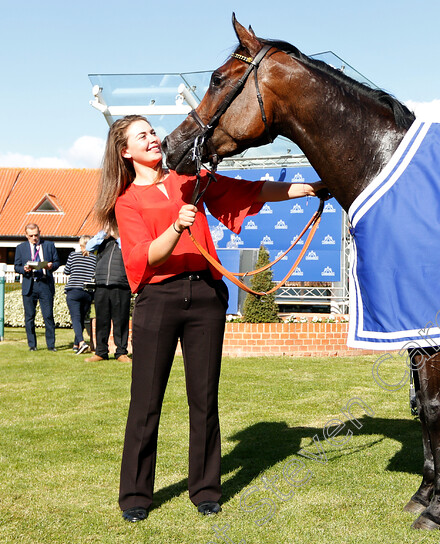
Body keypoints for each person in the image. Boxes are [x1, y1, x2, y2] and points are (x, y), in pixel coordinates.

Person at [94, 115, 324, 523]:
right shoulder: (126, 201)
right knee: (146, 403)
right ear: (125, 152)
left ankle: (205, 490)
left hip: (205, 296)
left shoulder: (189, 178)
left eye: (152, 131)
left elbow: (248, 191)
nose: (152, 138)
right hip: (157, 298)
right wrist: (175, 226)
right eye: (140, 135)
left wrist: (304, 189)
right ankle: (134, 496)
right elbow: (144, 257)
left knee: (204, 399)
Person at [85, 228, 132, 363]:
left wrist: (117, 236)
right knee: (102, 320)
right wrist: (103, 233)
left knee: (121, 320)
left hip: (120, 284)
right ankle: (101, 352)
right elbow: (89, 246)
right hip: (101, 284)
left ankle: (121, 352)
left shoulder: (125, 237)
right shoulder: (102, 239)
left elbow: (128, 249)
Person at [13, 223, 61, 351]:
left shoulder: (49, 245)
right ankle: (32, 345)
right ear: (26, 235)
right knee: (29, 316)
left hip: (45, 284)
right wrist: (24, 269)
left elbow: (57, 262)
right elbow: (16, 266)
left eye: (36, 235)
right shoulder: (21, 248)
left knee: (48, 316)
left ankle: (51, 345)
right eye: (31, 236)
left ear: (40, 233)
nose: (34, 238)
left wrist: (50, 266)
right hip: (30, 284)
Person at [64, 235, 96, 354]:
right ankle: (76, 344)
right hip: (87, 292)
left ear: (80, 244)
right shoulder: (94, 258)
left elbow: (67, 271)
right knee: (82, 318)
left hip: (74, 290)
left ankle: (81, 342)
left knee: (76, 318)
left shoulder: (73, 255)